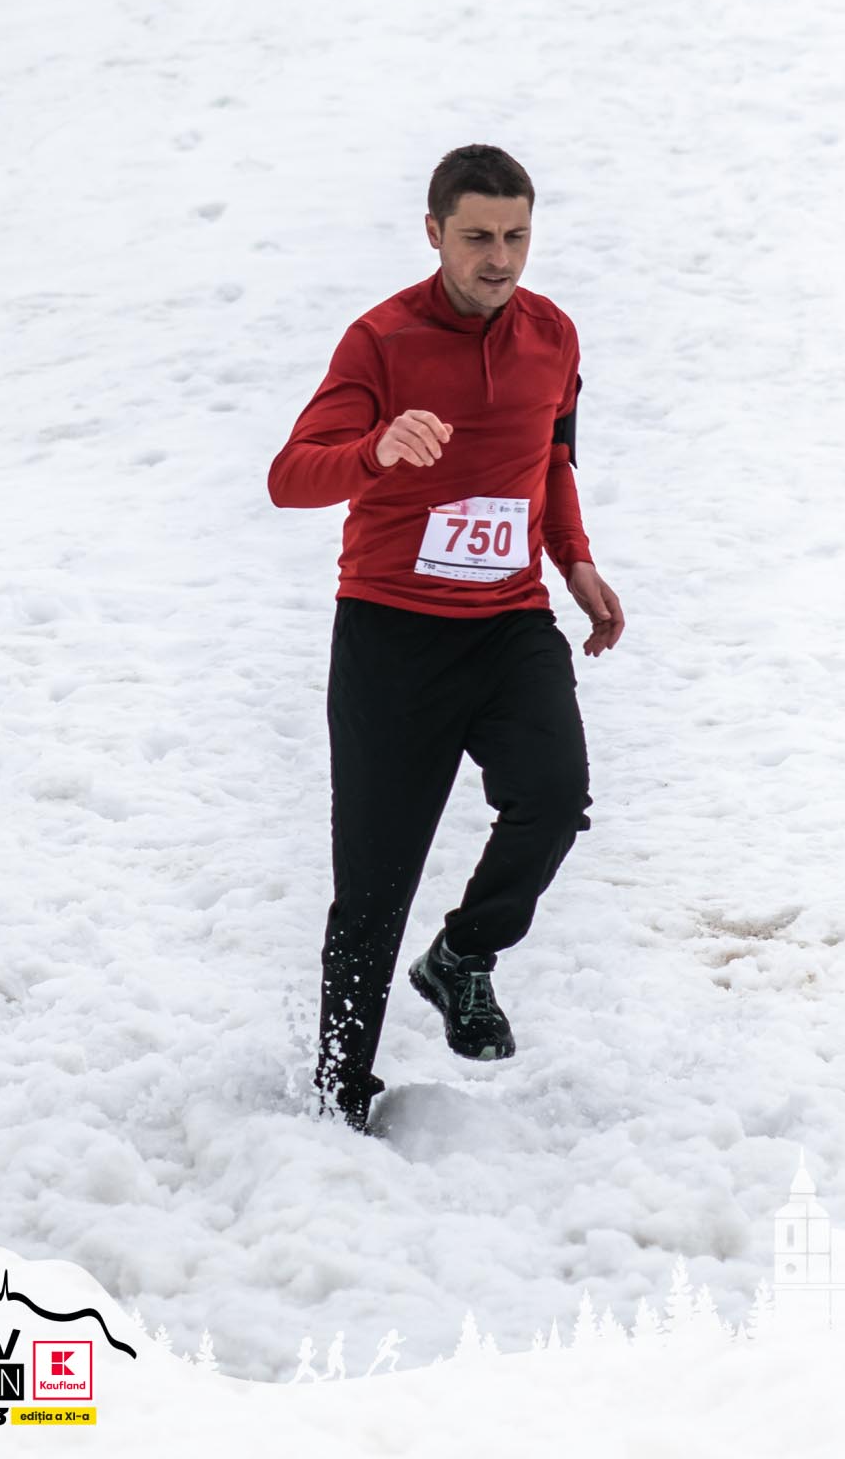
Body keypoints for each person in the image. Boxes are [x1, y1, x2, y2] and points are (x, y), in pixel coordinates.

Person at [267, 144, 624, 1132]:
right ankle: (339, 1093)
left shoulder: (553, 335)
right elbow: (290, 475)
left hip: (508, 623)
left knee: (553, 798)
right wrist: (374, 449)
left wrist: (574, 560)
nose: (498, 258)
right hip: (392, 636)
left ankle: (463, 954)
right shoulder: (380, 342)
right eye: (476, 237)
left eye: (516, 236)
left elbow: (549, 460)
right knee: (374, 884)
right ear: (433, 232)